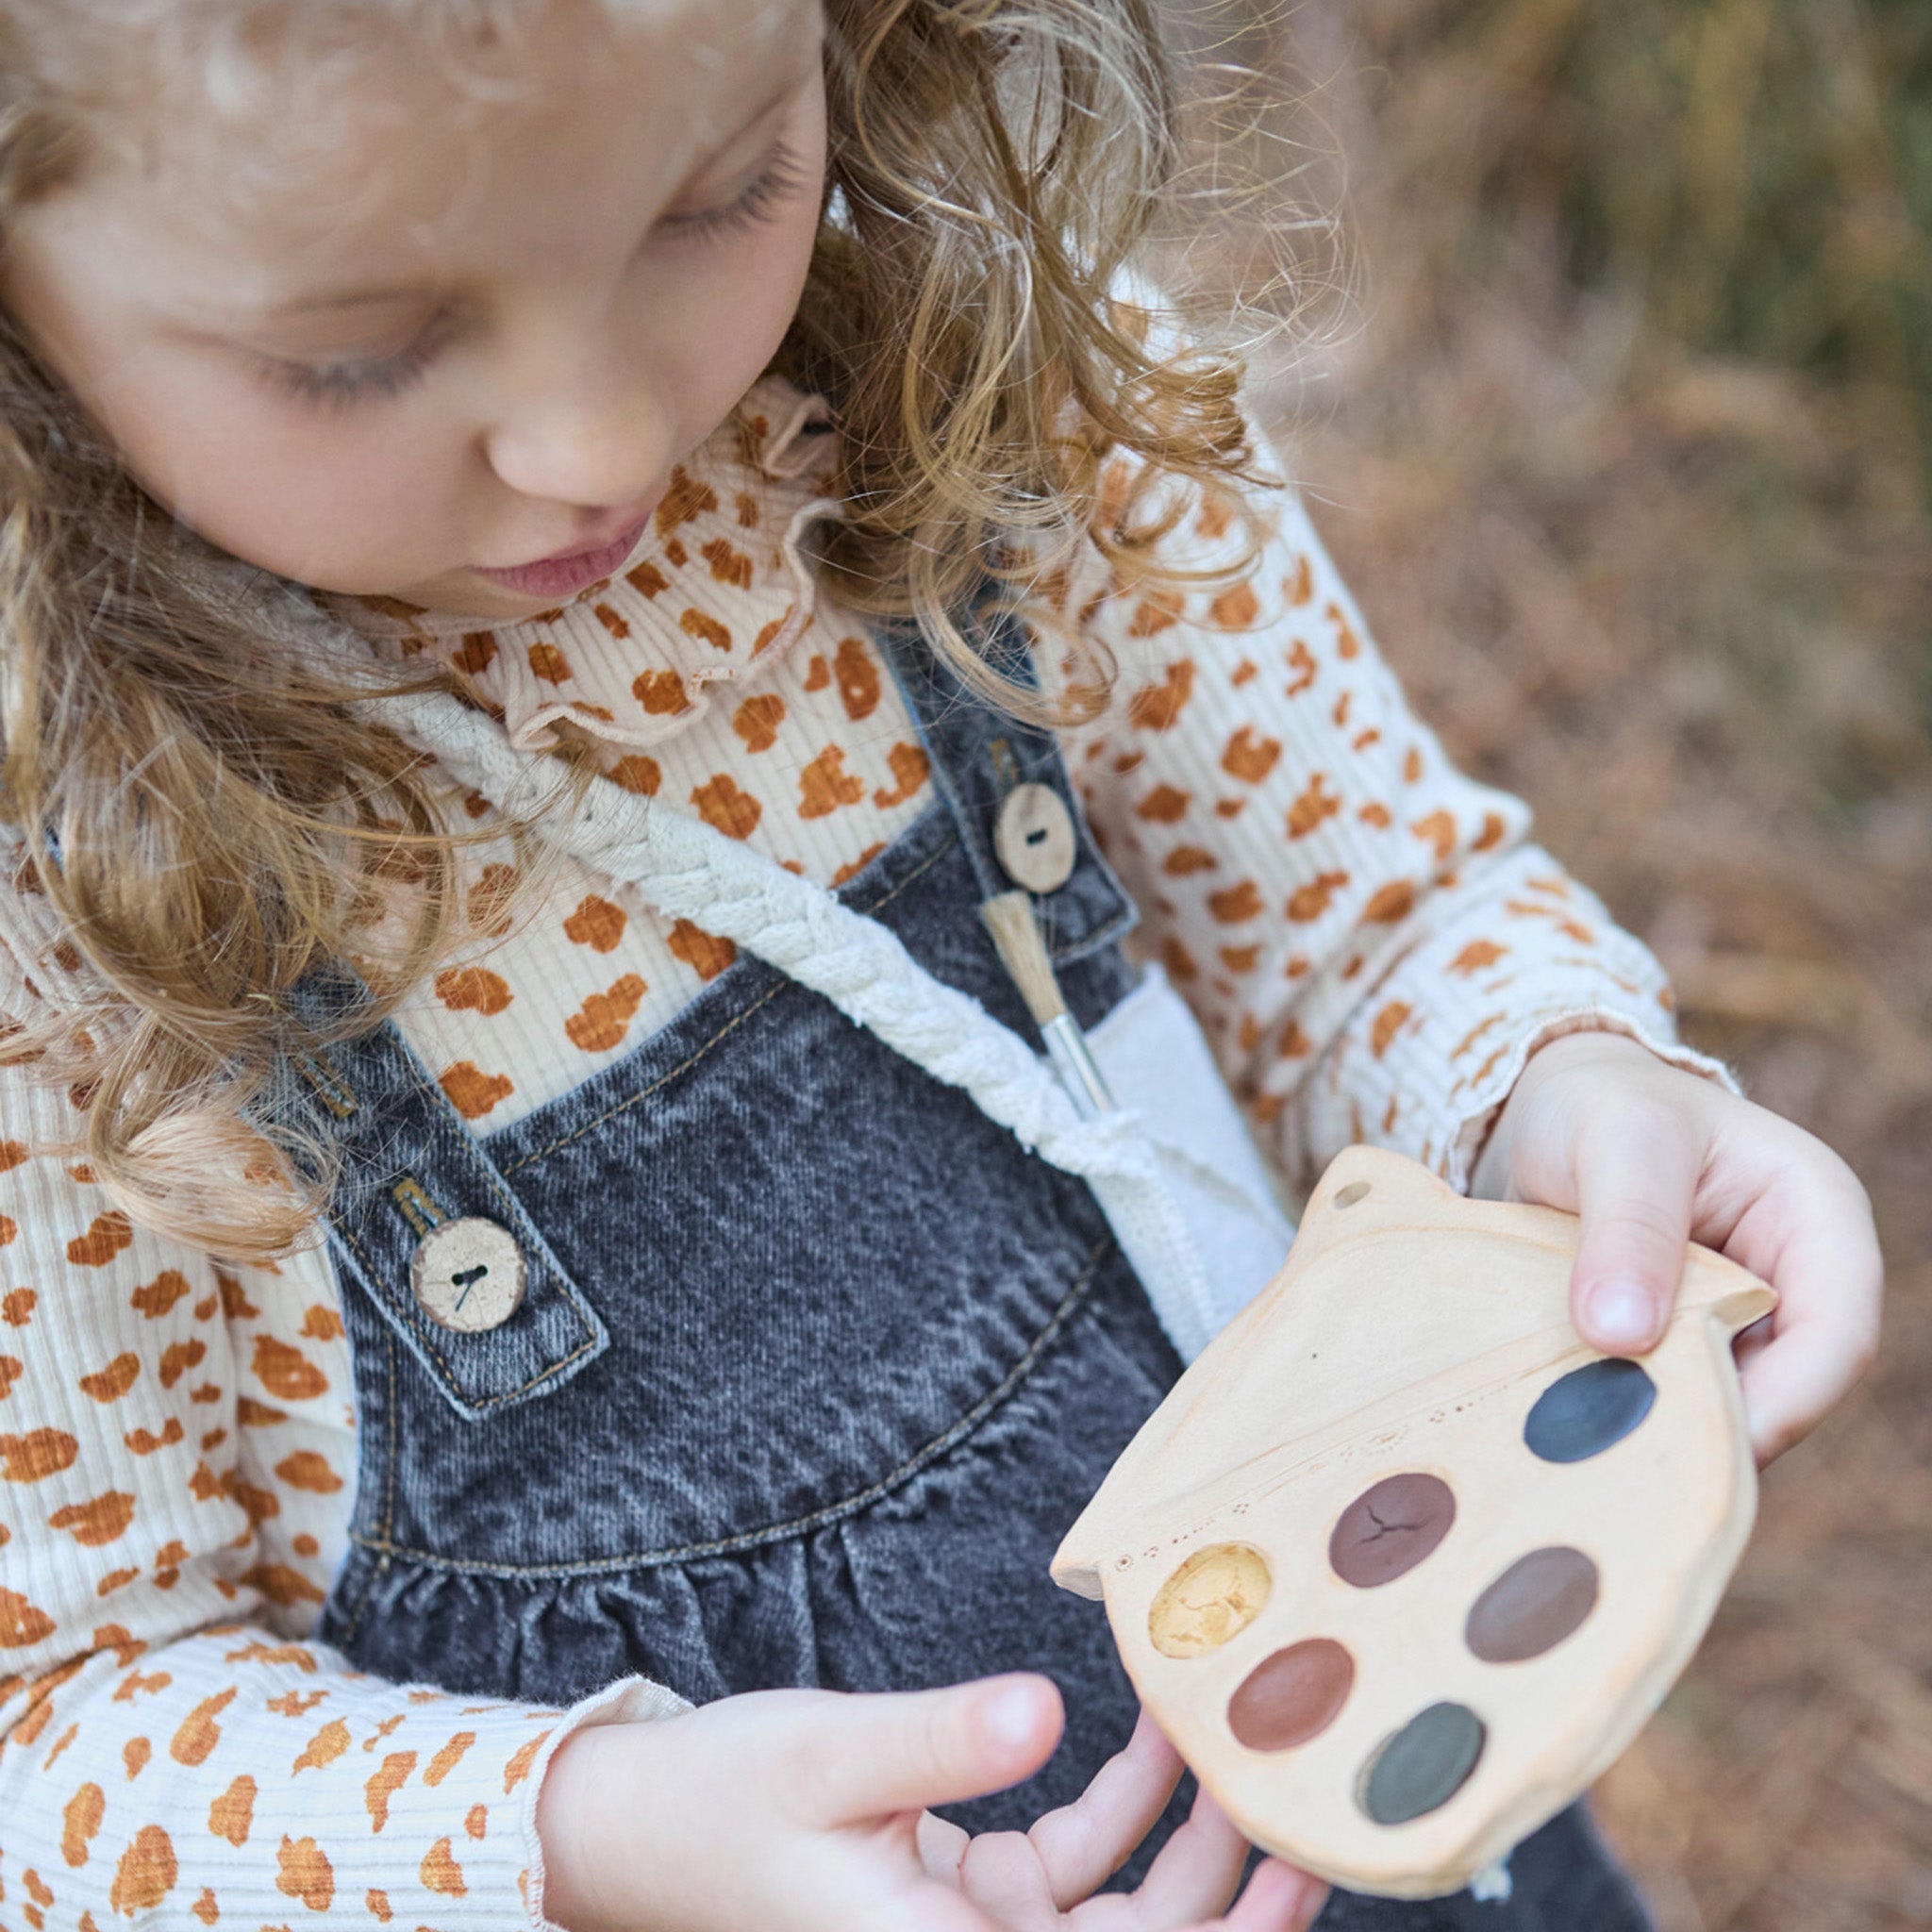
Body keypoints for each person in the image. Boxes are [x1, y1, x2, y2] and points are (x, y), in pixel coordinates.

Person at [0, 4, 1882, 1929]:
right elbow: (55, 1718)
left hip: (1386, 1783)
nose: (600, 436)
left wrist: (1553, 1075)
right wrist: (590, 1830)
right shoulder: (54, 943)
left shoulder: (984, 401)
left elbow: (1369, 921)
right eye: (361, 353)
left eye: (720, 193)